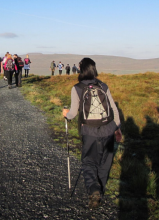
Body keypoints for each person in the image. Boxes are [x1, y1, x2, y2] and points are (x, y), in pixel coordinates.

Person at [62, 57, 122, 209]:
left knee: (89, 162)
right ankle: (100, 190)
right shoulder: (103, 85)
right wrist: (117, 128)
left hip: (89, 132)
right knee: (105, 162)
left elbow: (73, 113)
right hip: (108, 129)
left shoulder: (76, 88)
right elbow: (114, 110)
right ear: (93, 69)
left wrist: (65, 114)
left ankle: (94, 190)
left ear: (81, 70)